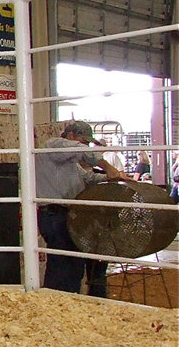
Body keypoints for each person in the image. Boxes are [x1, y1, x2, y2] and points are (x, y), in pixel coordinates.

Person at [35, 120, 126, 294]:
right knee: (63, 261)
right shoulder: (53, 145)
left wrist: (111, 177)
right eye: (83, 140)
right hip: (56, 214)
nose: (86, 145)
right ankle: (58, 299)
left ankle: (67, 299)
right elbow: (80, 150)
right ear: (70, 136)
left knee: (71, 261)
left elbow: (88, 178)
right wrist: (107, 166)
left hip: (65, 215)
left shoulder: (70, 164)